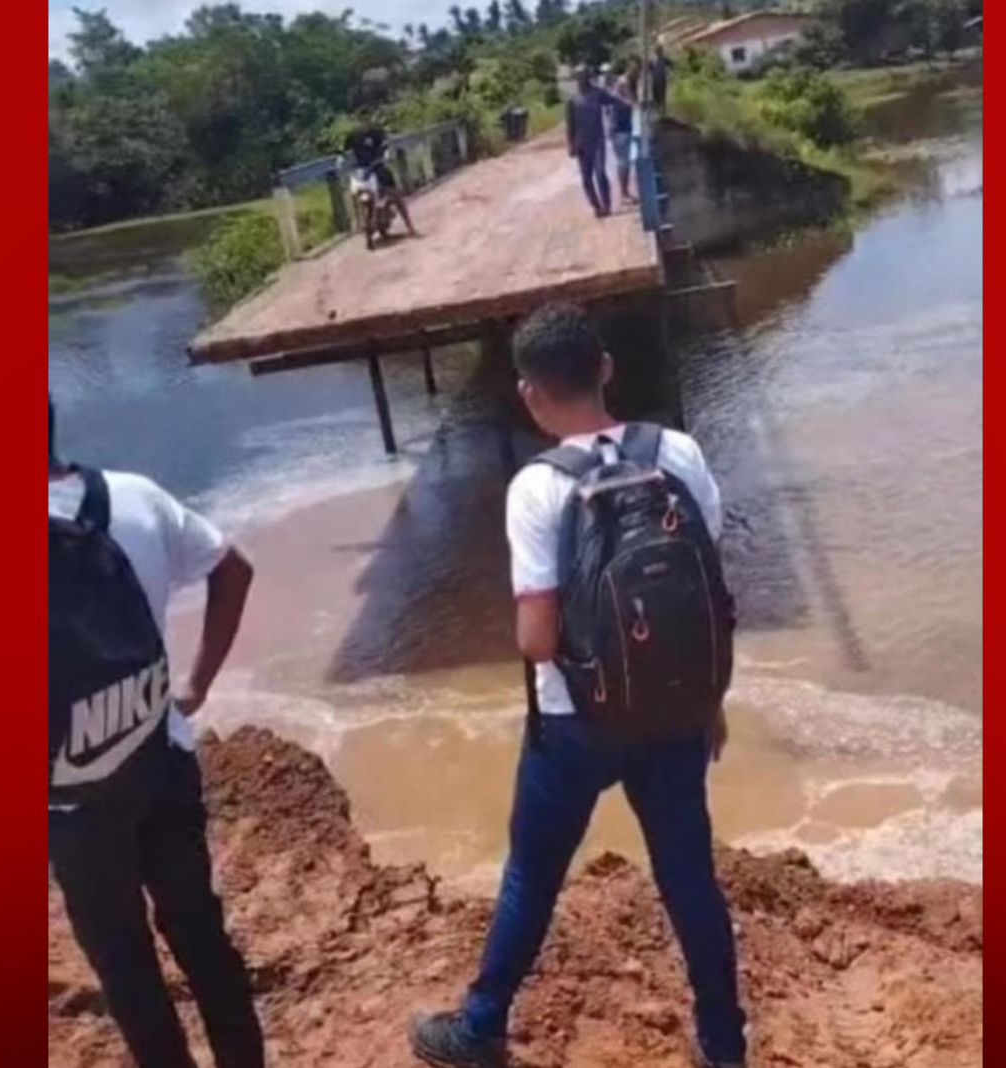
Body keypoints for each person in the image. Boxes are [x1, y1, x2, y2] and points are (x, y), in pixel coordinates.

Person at [407, 304, 748, 1068]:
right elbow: (704, 596)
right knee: (689, 876)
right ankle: (724, 1047)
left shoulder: (537, 487)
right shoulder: (679, 453)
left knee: (533, 875)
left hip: (576, 725)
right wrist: (711, 704)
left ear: (530, 394)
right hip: (677, 709)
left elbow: (537, 639)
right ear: (607, 369)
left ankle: (480, 1029)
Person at [48, 395, 264, 1068]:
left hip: (72, 800)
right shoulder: (134, 497)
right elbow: (234, 568)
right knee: (200, 933)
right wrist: (195, 685)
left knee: (125, 964)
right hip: (160, 754)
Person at [345, 121, 418, 237]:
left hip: (366, 170)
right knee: (396, 196)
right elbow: (386, 146)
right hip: (372, 169)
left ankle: (358, 221)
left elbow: (345, 152)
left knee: (356, 194)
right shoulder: (373, 132)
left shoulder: (355, 134)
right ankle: (410, 227)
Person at [565, 67, 612, 218]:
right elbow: (570, 125)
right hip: (582, 144)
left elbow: (614, 101)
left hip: (598, 140)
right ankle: (596, 206)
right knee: (586, 179)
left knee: (600, 173)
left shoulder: (598, 93)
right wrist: (570, 144)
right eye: (579, 76)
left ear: (588, 77)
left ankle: (607, 205)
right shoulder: (573, 100)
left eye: (584, 75)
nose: (582, 79)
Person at [603, 67, 638, 204]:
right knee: (623, 162)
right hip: (619, 131)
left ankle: (625, 192)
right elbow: (631, 104)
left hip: (623, 130)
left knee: (625, 163)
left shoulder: (616, 95)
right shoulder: (616, 97)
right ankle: (624, 194)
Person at [649, 43, 673, 111]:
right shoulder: (652, 59)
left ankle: (662, 109)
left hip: (662, 79)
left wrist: (669, 73)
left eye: (659, 50)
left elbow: (672, 65)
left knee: (662, 94)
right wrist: (652, 73)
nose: (658, 51)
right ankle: (657, 108)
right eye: (656, 50)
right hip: (655, 79)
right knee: (655, 93)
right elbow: (649, 68)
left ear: (661, 51)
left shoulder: (664, 59)